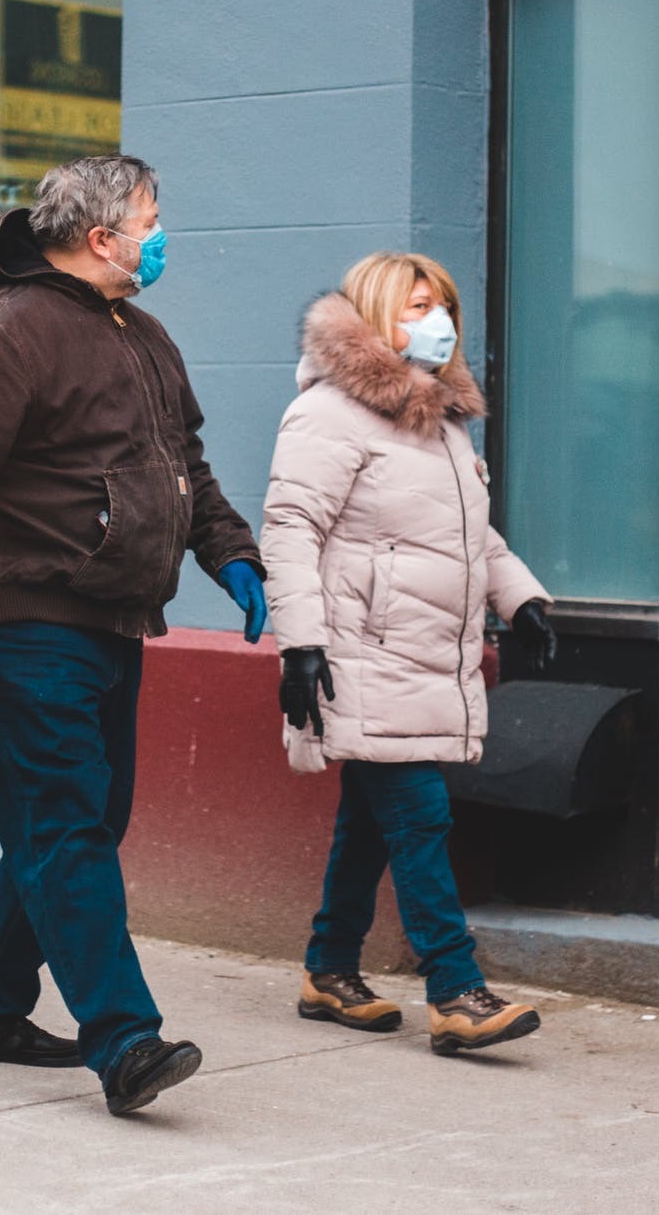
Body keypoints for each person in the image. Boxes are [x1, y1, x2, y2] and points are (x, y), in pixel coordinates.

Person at [0, 155, 268, 1117]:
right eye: (150, 218)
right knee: (63, 824)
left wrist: (233, 556)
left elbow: (185, 467)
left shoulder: (140, 333)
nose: (161, 234)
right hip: (20, 622)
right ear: (102, 238)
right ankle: (123, 1037)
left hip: (110, 621)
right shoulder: (4, 329)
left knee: (78, 824)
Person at [261, 252, 557, 1055]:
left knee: (371, 819)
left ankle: (328, 969)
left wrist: (519, 597)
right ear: (373, 317)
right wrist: (301, 647)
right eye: (417, 306)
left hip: (425, 654)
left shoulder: (443, 421)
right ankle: (456, 990)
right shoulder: (329, 414)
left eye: (446, 307)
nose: (439, 322)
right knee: (418, 813)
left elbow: (469, 536)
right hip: (362, 651)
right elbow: (290, 531)